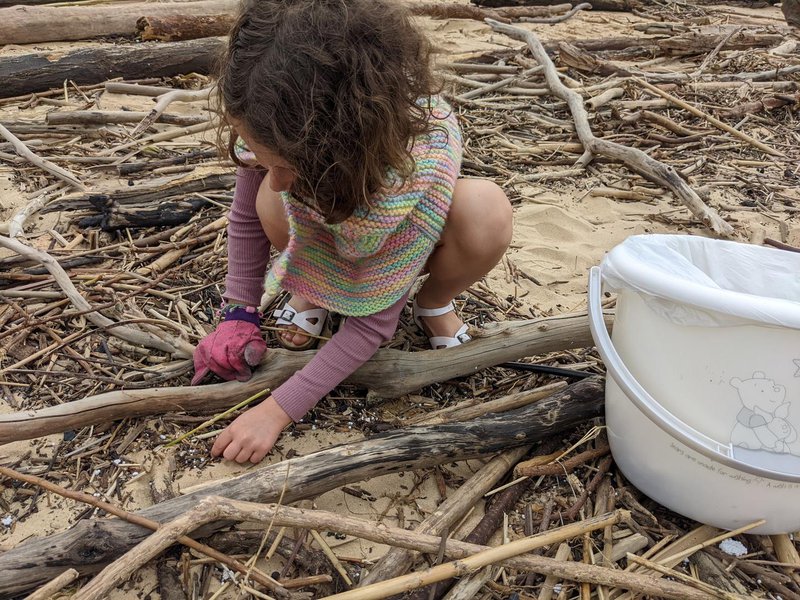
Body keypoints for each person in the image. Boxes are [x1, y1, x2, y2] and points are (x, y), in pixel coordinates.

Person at [192, 0, 513, 464]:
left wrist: (277, 410)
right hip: (324, 220)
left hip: (392, 235)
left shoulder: (416, 166)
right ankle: (315, 289)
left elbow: (372, 328)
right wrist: (239, 311)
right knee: (269, 195)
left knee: (485, 211)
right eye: (265, 162)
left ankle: (434, 302)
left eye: (282, 166)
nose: (274, 179)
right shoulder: (268, 116)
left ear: (338, 142)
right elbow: (246, 215)